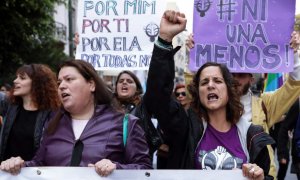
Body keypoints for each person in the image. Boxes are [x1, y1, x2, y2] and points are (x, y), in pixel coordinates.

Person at [144, 10, 273, 179]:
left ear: (229, 89)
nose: (210, 85)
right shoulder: (185, 128)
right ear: (198, 93)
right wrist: (165, 39)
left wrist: (261, 177)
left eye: (217, 81)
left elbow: (267, 176)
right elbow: (158, 96)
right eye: (204, 83)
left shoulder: (252, 136)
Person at [0, 60, 152, 176]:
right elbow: (41, 164)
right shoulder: (52, 124)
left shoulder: (125, 123)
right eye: (59, 82)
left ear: (91, 85)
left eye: (69, 79)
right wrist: (20, 165)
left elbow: (145, 169)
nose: (61, 86)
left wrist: (117, 168)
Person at [186, 29, 300, 179]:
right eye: (231, 75)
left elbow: (294, 85)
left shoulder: (265, 104)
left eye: (241, 75)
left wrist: (294, 54)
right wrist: (192, 55)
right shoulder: (209, 101)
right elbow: (193, 88)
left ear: (251, 78)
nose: (236, 80)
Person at [0, 64, 61, 162]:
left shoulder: (53, 113)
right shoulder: (9, 106)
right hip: (6, 173)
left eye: (22, 78)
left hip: (34, 173)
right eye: (16, 77)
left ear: (38, 83)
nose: (15, 81)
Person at [114, 70, 162, 162]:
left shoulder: (144, 105)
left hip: (138, 161)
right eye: (121, 81)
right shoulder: (107, 107)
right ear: (116, 87)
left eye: (129, 81)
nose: (124, 82)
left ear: (137, 89)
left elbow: (156, 84)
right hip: (111, 162)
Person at [277, 99, 300, 179]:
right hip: (298, 154)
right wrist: (282, 154)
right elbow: (284, 129)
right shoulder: (297, 104)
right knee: (283, 166)